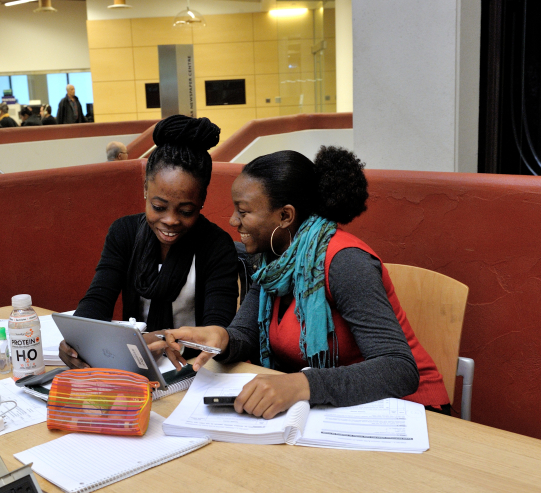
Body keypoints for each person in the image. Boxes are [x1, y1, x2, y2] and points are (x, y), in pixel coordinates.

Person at [162, 147, 451, 419]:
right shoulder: (271, 262)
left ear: (285, 215)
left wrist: (302, 385)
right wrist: (221, 338)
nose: (233, 220)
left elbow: (398, 369)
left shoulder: (345, 262)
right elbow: (245, 335)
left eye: (244, 211)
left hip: (409, 410)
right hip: (334, 408)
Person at [59, 115, 239, 369]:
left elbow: (218, 329)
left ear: (201, 201)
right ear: (145, 188)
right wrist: (77, 339)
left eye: (186, 211)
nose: (170, 220)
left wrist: (163, 339)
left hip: (195, 369)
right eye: (159, 206)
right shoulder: (125, 233)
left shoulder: (216, 245)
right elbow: (98, 299)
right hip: (133, 365)